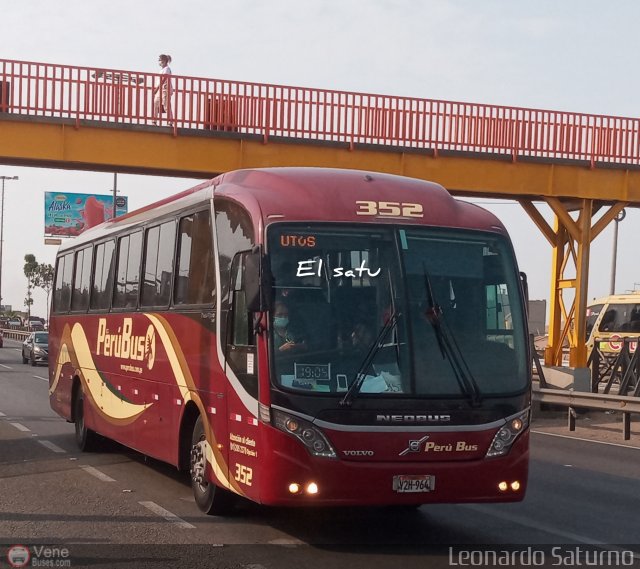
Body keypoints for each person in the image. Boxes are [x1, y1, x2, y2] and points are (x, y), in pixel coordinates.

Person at [153, 54, 173, 123]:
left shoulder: (167, 69)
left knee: (166, 105)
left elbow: (163, 79)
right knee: (156, 103)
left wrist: (156, 89)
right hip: (160, 89)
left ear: (164, 61)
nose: (159, 62)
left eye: (160, 60)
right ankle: (154, 120)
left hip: (165, 89)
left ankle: (170, 121)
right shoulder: (162, 70)